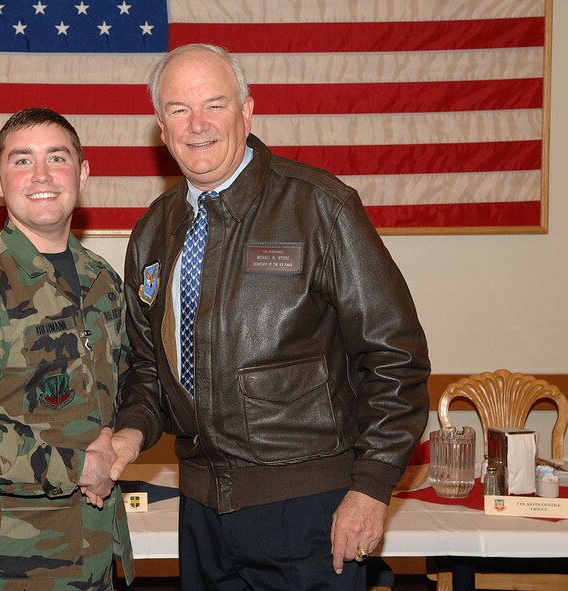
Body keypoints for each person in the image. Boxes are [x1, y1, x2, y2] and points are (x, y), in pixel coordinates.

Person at [110, 44, 430, 590]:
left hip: (311, 511)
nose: (198, 125)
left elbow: (394, 357)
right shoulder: (152, 233)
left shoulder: (319, 208)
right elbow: (150, 371)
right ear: (162, 129)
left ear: (247, 111)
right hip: (202, 515)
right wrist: (128, 435)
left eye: (215, 104)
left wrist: (372, 486)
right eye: (180, 111)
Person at [0, 107, 134, 590]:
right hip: (8, 561)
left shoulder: (101, 280)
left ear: (82, 173)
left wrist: (127, 440)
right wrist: (81, 466)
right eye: (22, 161)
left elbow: (125, 385)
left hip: (95, 549)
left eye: (56, 158)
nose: (41, 176)